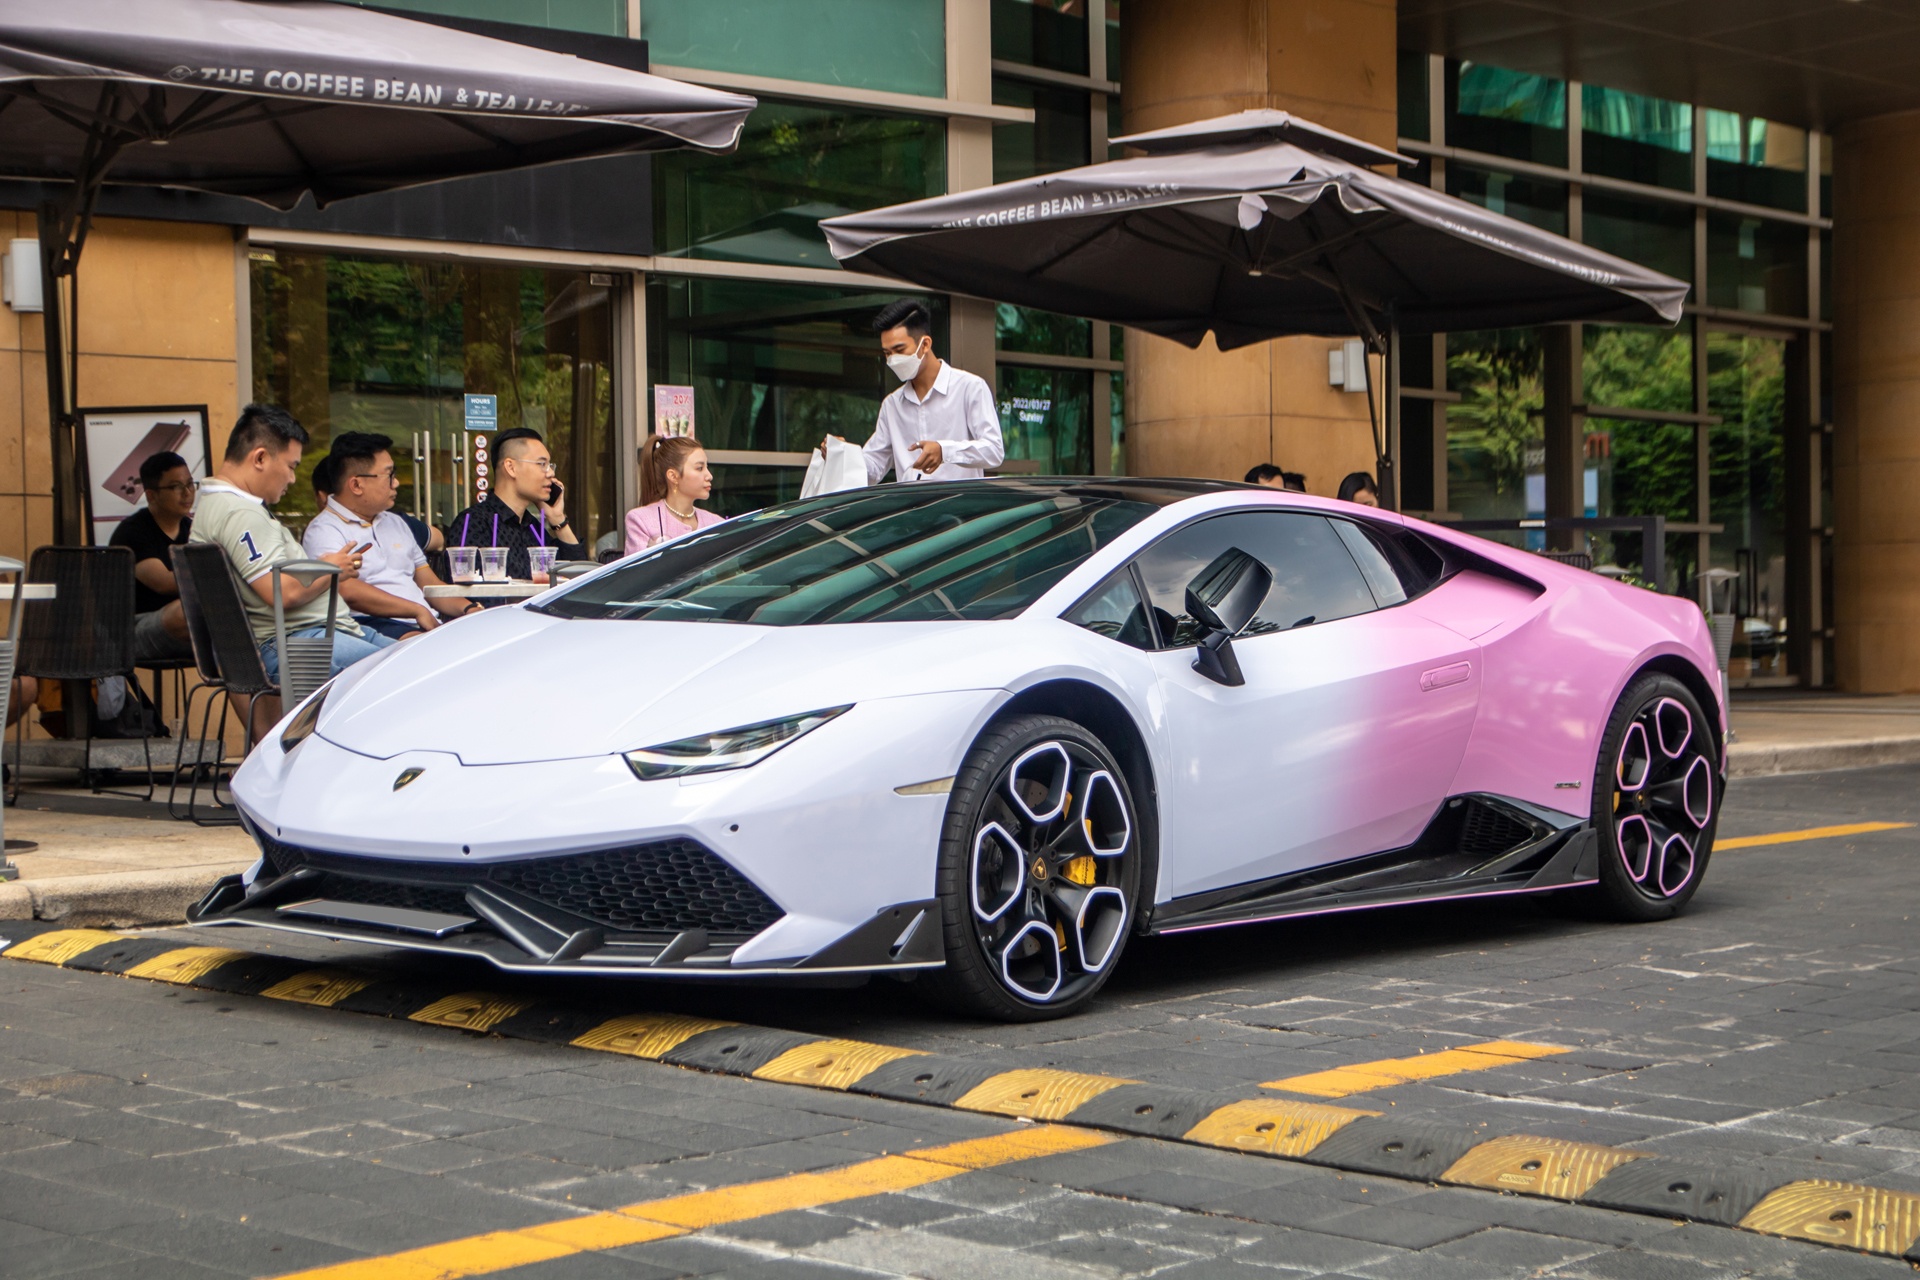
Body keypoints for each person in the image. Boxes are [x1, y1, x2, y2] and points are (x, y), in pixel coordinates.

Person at [190, 405, 394, 706]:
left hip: (318, 637)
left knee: (423, 656)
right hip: (300, 645)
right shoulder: (241, 514)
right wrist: (329, 568)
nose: (293, 479)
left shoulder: (211, 503)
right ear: (260, 458)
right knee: (414, 671)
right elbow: (281, 593)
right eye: (291, 466)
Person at [304, 432, 478, 638]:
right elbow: (347, 591)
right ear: (356, 485)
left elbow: (430, 585)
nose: (396, 483)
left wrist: (470, 610)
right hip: (368, 626)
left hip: (423, 623)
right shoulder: (324, 530)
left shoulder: (395, 522)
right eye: (389, 475)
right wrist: (415, 609)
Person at [819, 299, 1003, 484]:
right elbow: (873, 468)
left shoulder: (969, 387)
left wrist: (944, 451)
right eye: (887, 353)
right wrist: (843, 456)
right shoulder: (892, 405)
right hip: (912, 510)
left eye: (899, 350)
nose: (893, 360)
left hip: (960, 510)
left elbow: (994, 450)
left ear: (925, 345)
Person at [444, 427, 588, 582]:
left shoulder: (533, 528)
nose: (550, 473)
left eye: (550, 465)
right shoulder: (473, 523)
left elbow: (580, 581)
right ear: (511, 467)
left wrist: (558, 519)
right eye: (541, 464)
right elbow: (469, 592)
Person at [108, 450, 196, 663]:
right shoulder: (133, 532)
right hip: (133, 629)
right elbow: (164, 582)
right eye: (176, 486)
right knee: (185, 614)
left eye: (191, 484)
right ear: (151, 495)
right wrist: (216, 575)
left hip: (184, 626)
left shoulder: (193, 529)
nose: (187, 493)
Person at [626, 435, 723, 554]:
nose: (709, 476)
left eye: (707, 467)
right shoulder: (641, 520)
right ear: (673, 476)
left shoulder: (716, 523)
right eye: (699, 468)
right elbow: (638, 571)